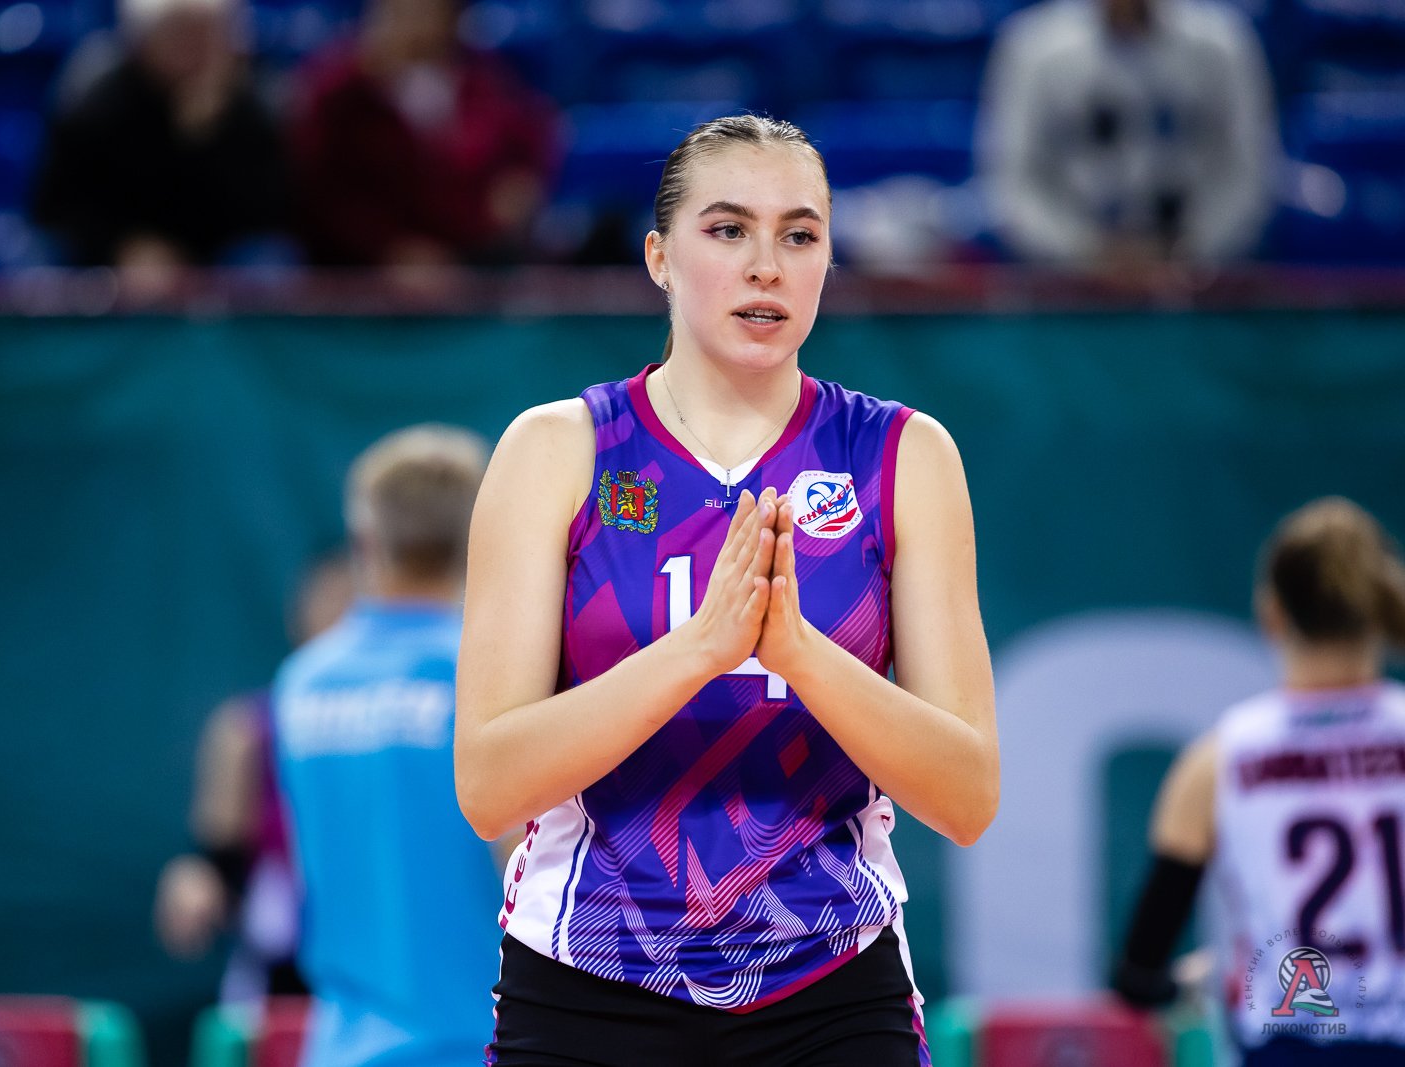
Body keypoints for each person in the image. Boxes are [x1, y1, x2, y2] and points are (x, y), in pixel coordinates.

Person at [455, 115, 999, 1065]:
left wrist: (799, 654)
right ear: (659, 257)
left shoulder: (904, 455)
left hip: (831, 983)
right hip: (587, 982)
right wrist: (701, 649)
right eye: (728, 229)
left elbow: (967, 797)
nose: (766, 266)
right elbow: (490, 787)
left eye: (800, 235)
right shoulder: (556, 449)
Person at [1113, 497, 1405, 1064]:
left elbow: (1136, 975)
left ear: (1272, 614)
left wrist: (1190, 988)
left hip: (1288, 1048)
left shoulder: (1220, 760)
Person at [271, 425, 502, 1067]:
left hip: (341, 1047)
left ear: (365, 539)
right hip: (479, 1043)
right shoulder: (485, 672)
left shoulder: (303, 681)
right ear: (482, 534)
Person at [154, 550, 352, 1002]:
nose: (340, 617)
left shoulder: (431, 722)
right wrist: (194, 879)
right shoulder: (248, 731)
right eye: (327, 599)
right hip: (279, 977)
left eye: (355, 601)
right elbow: (216, 862)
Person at [976, 0, 1280, 272]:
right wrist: (1087, 252)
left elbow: (1250, 172)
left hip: (1200, 282)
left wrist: (1189, 250)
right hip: (1068, 286)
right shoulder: (1033, 46)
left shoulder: (1222, 43)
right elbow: (1012, 184)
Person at [285, 0, 557, 270]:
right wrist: (390, 249)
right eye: (401, 12)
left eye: (427, 11)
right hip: (364, 263)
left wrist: (520, 183)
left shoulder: (481, 78)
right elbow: (325, 192)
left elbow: (529, 137)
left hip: (470, 251)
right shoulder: (340, 89)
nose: (415, 24)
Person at [31, 0, 289, 279]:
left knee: (267, 261)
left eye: (210, 34)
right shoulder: (95, 98)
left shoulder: (252, 101)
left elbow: (264, 214)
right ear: (144, 42)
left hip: (217, 258)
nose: (199, 49)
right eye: (183, 35)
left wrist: (205, 140)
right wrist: (123, 248)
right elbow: (57, 208)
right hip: (110, 260)